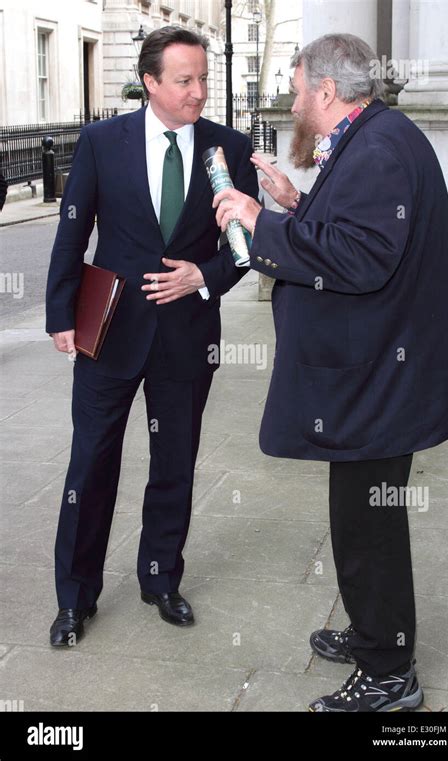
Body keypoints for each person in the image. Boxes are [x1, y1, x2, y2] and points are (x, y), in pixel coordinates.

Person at [213, 33, 448, 712]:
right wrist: (294, 203)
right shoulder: (374, 136)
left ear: (327, 91)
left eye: (299, 90)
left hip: (382, 382)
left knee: (368, 526)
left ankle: (389, 673)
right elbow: (356, 232)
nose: (295, 101)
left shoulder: (381, 147)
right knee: (360, 515)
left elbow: (360, 261)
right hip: (379, 375)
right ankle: (371, 631)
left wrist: (256, 225)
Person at [46, 26, 258, 646]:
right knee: (90, 463)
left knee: (175, 463)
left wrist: (204, 276)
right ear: (151, 83)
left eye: (202, 80)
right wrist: (62, 314)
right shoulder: (100, 142)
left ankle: (161, 579)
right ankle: (74, 598)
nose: (198, 92)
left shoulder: (229, 147)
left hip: (187, 336)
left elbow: (244, 245)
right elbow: (72, 232)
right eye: (185, 81)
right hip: (108, 332)